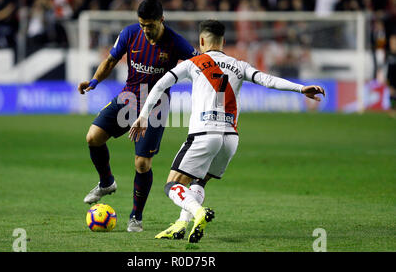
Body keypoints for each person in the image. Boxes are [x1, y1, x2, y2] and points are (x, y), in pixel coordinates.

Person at [129, 19, 325, 243]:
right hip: (230, 139)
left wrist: (143, 116)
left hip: (204, 134)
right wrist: (301, 88)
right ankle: (181, 224)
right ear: (223, 41)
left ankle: (197, 212)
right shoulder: (239, 65)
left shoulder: (194, 63)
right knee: (198, 182)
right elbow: (268, 80)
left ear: (202, 41)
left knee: (172, 185)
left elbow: (160, 85)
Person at [78, 0, 198, 232]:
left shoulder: (176, 42)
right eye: (142, 25)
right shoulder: (130, 34)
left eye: (150, 25)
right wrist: (94, 81)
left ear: (161, 20)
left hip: (156, 106)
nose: (145, 30)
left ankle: (136, 217)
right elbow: (111, 60)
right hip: (128, 98)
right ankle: (106, 182)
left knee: (142, 163)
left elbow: (200, 65)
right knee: (93, 137)